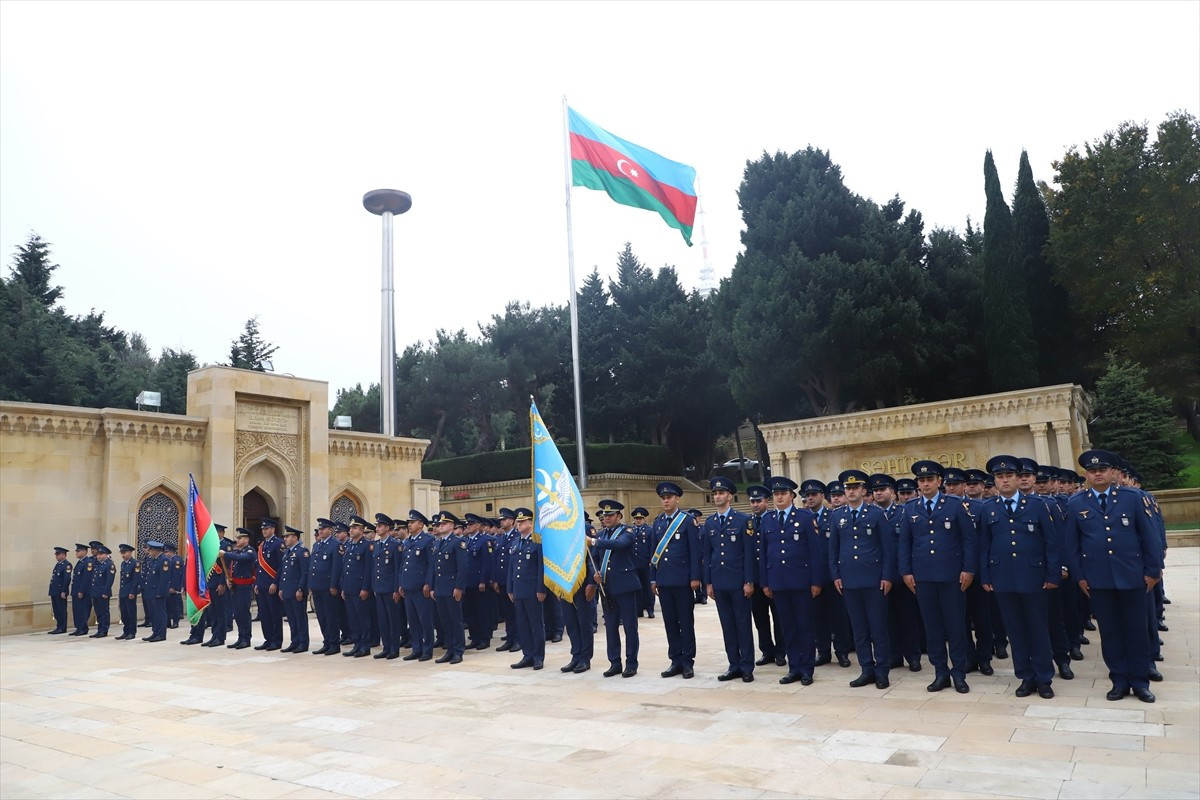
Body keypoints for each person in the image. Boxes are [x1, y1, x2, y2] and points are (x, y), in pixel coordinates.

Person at [1064, 450, 1162, 703]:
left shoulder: (1133, 498)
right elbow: (1072, 546)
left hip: (1133, 577)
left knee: (1137, 631)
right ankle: (1118, 680)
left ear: (1111, 472)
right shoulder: (1076, 503)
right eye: (1092, 471)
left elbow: (1149, 537)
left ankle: (1140, 682)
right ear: (1086, 475)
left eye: (1102, 470)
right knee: (1110, 632)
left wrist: (1153, 571)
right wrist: (1080, 576)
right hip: (1098, 580)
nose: (1098, 474)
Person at [980, 455, 1059, 699]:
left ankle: (1044, 678)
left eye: (1009, 476)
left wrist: (1052, 574)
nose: (1005, 480)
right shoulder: (988, 508)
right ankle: (1025, 676)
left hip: (1034, 576)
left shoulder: (1037, 505)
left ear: (1017, 478)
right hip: (1003, 577)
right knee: (1015, 630)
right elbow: (984, 545)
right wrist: (986, 575)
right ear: (994, 481)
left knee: (1037, 628)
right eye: (1000, 477)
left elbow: (1051, 543)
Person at [899, 460, 976, 694]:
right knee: (932, 628)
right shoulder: (910, 508)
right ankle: (940, 672)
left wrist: (968, 569)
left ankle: (959, 673)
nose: (925, 484)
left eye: (929, 479)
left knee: (955, 627)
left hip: (952, 576)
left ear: (938, 482)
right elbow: (904, 544)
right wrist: (906, 572)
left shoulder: (955, 505)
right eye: (921, 481)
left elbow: (968, 540)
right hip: (923, 578)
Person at [828, 470, 894, 689]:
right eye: (848, 488)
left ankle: (882, 670)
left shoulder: (876, 514)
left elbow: (887, 548)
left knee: (878, 628)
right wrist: (836, 575)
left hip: (874, 580)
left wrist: (887, 576)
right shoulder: (837, 516)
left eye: (855, 488)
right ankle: (866, 668)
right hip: (849, 580)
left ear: (864, 491)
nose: (851, 491)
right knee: (859, 629)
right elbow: (833, 550)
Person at [759, 476, 825, 686]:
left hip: (801, 582)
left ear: (792, 496)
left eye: (783, 493)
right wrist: (765, 582)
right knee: (787, 627)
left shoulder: (805, 518)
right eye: (776, 494)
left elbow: (816, 553)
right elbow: (764, 553)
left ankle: (806, 669)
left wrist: (816, 582)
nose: (779, 497)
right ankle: (793, 667)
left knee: (804, 627)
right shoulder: (767, 520)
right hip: (778, 582)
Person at [704, 477, 757, 682]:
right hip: (719, 581)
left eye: (721, 493)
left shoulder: (743, 520)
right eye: (715, 493)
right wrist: (708, 583)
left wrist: (749, 581)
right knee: (727, 625)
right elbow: (707, 556)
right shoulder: (709, 522)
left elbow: (748, 554)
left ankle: (746, 666)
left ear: (729, 496)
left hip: (738, 581)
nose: (717, 496)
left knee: (743, 624)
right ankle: (733, 664)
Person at [649, 481, 702, 679]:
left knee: (686, 622)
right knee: (670, 623)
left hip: (683, 581)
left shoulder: (687, 520)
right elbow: (654, 554)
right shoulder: (658, 522)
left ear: (677, 499)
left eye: (669, 497)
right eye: (663, 498)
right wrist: (653, 579)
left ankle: (688, 662)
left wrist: (695, 577)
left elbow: (695, 552)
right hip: (664, 581)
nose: (666, 501)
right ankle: (675, 660)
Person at [944, 467, 993, 677]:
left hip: (977, 571)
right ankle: (967, 658)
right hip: (953, 573)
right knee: (959, 619)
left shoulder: (978, 507)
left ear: (964, 486)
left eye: (956, 484)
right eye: (949, 484)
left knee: (982, 617)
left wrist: (975, 569)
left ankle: (984, 658)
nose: (952, 488)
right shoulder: (942, 508)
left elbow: (982, 543)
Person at [871, 473, 922, 672]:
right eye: (875, 491)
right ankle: (894, 656)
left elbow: (907, 545)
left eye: (882, 490)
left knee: (907, 618)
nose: (878, 493)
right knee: (886, 619)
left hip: (902, 576)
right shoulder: (871, 514)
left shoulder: (903, 512)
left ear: (892, 492)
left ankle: (913, 656)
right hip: (880, 576)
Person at [589, 501, 640, 678]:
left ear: (619, 516)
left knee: (629, 626)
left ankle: (631, 663)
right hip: (607, 587)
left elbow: (619, 545)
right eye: (605, 515)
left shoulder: (627, 532)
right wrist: (594, 575)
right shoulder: (602, 534)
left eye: (611, 515)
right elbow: (594, 559)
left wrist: (594, 541)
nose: (607, 518)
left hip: (625, 585)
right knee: (610, 626)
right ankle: (614, 662)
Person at [812, 482, 852, 668]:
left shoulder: (833, 516)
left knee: (838, 617)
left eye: (813, 494)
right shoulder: (803, 518)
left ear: (822, 496)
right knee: (818, 617)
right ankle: (823, 651)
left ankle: (842, 652)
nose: (810, 498)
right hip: (814, 578)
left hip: (833, 576)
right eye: (806, 495)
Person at [560, 501, 602, 675]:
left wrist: (591, 583)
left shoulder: (584, 527)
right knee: (570, 622)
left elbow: (593, 556)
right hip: (566, 582)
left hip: (582, 582)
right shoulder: (559, 529)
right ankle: (575, 655)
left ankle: (585, 658)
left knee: (583, 622)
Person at [746, 485, 784, 668]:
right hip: (755, 579)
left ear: (766, 501)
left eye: (758, 501)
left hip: (773, 578)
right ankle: (766, 650)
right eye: (752, 501)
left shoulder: (773, 519)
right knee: (760, 618)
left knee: (778, 617)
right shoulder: (747, 523)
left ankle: (780, 651)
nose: (755, 504)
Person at [507, 508, 547, 670]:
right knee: (522, 624)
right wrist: (510, 588)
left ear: (531, 523)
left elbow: (541, 567)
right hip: (518, 589)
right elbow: (512, 568)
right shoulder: (516, 542)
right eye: (518, 522)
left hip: (532, 589)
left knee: (536, 624)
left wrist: (541, 589)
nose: (519, 524)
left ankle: (538, 656)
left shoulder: (537, 542)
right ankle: (527, 654)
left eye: (523, 522)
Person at [398, 510, 436, 661]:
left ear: (421, 524)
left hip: (421, 587)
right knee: (412, 620)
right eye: (409, 522)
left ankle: (427, 649)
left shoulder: (427, 540)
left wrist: (428, 583)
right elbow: (403, 565)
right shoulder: (408, 542)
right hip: (408, 586)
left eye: (412, 522)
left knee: (424, 619)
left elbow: (431, 565)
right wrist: (401, 583)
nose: (409, 524)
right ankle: (416, 648)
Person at [431, 512, 467, 664]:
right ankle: (450, 649)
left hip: (452, 588)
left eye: (443, 524)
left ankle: (458, 651)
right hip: (440, 588)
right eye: (439, 524)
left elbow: (462, 568)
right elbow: (435, 568)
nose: (440, 526)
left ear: (452, 526)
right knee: (445, 621)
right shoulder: (438, 543)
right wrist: (433, 587)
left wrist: (458, 587)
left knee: (455, 621)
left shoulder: (458, 543)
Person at [340, 516, 375, 658]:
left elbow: (368, 569)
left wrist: (365, 588)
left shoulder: (367, 546)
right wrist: (343, 587)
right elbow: (345, 569)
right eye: (350, 528)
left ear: (361, 530)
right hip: (349, 588)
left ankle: (365, 646)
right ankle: (357, 644)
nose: (351, 530)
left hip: (360, 588)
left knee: (362, 618)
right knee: (353, 619)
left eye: (354, 528)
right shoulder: (349, 545)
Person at [370, 514, 402, 660]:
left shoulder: (395, 545)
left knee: (392, 619)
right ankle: (386, 647)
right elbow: (374, 568)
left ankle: (394, 648)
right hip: (379, 588)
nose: (377, 528)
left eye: (380, 526)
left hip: (390, 588)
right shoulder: (376, 545)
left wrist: (396, 589)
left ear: (387, 528)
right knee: (382, 619)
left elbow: (397, 569)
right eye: (376, 526)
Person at [307, 519, 338, 654]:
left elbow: (336, 568)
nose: (320, 531)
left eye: (323, 528)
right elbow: (312, 566)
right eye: (319, 529)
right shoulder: (317, 545)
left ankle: (334, 643)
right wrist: (310, 584)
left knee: (330, 616)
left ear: (330, 530)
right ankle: (326, 641)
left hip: (327, 587)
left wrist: (333, 585)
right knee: (321, 617)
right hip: (317, 586)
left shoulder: (335, 545)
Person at [491, 508, 520, 653]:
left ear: (512, 521)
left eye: (504, 519)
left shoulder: (517, 536)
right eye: (501, 520)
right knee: (507, 612)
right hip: (502, 580)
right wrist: (495, 579)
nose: (501, 522)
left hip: (514, 580)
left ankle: (518, 640)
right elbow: (497, 560)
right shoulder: (501, 538)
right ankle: (510, 638)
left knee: (516, 612)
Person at [254, 518, 284, 651]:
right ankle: (268, 639)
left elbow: (281, 566)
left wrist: (275, 583)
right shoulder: (262, 545)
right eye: (263, 529)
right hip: (262, 585)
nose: (264, 531)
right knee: (264, 614)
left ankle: (276, 640)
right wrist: (257, 583)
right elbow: (258, 566)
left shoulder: (278, 544)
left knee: (274, 614)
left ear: (273, 529)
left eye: (266, 529)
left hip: (272, 585)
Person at [279, 526, 310, 653]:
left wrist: (301, 589)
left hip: (297, 591)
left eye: (287, 536)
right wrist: (281, 588)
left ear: (295, 538)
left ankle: (303, 642)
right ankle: (294, 641)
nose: (285, 539)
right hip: (287, 590)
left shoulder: (302, 552)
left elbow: (305, 572)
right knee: (291, 618)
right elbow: (284, 573)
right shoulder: (287, 552)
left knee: (300, 617)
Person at [224, 529, 256, 649]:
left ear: (246, 539)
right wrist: (228, 579)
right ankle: (240, 636)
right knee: (237, 613)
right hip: (236, 586)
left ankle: (246, 638)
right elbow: (231, 567)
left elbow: (242, 559)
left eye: (240, 538)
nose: (237, 540)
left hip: (245, 587)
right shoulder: (237, 552)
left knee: (243, 613)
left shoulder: (250, 551)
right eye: (237, 538)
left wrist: (225, 554)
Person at [629, 507, 655, 619]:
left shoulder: (649, 530)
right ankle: (638, 610)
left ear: (644, 519)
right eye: (636, 518)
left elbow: (652, 546)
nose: (638, 520)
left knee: (648, 587)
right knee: (637, 588)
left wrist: (651, 560)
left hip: (645, 563)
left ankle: (650, 609)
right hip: (634, 564)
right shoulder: (631, 531)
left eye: (640, 518)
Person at [141, 540, 168, 642]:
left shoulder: (164, 561)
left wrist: (160, 592)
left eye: (150, 550)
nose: (149, 552)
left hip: (158, 592)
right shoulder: (154, 560)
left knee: (160, 613)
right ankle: (155, 632)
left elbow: (164, 579)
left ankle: (161, 634)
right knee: (153, 614)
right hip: (151, 592)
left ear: (155, 550)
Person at [88, 545, 116, 638]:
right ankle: (99, 629)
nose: (98, 556)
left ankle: (104, 630)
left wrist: (105, 592)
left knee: (104, 612)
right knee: (98, 612)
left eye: (100, 554)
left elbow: (109, 581)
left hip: (103, 593)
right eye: (98, 554)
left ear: (106, 554)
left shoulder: (109, 565)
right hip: (96, 592)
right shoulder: (99, 564)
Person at [115, 543, 141, 640]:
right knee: (124, 613)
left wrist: (133, 592)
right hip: (123, 592)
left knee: (131, 613)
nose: (123, 555)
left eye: (124, 552)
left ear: (130, 552)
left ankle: (132, 632)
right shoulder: (123, 564)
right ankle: (126, 631)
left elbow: (136, 579)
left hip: (130, 592)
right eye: (121, 553)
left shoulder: (135, 563)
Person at [69, 542, 94, 636]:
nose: (76, 552)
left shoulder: (88, 562)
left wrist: (81, 590)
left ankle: (83, 628)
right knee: (77, 610)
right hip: (76, 590)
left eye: (78, 551)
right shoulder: (80, 562)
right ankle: (78, 627)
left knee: (83, 610)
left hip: (83, 591)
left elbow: (87, 578)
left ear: (84, 551)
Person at [47, 546, 72, 634]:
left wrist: (64, 591)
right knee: (56, 609)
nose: (56, 556)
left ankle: (62, 627)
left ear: (64, 555)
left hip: (60, 591)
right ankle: (59, 626)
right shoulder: (58, 565)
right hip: (55, 591)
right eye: (56, 554)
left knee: (61, 610)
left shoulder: (67, 565)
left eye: (58, 554)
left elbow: (67, 579)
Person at [164, 542, 183, 629]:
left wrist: (173, 587)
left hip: (173, 588)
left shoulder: (176, 560)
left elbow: (176, 575)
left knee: (174, 606)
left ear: (171, 552)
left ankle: (175, 621)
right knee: (167, 606)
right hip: (167, 587)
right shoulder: (167, 561)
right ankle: (167, 622)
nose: (165, 554)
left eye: (166, 552)